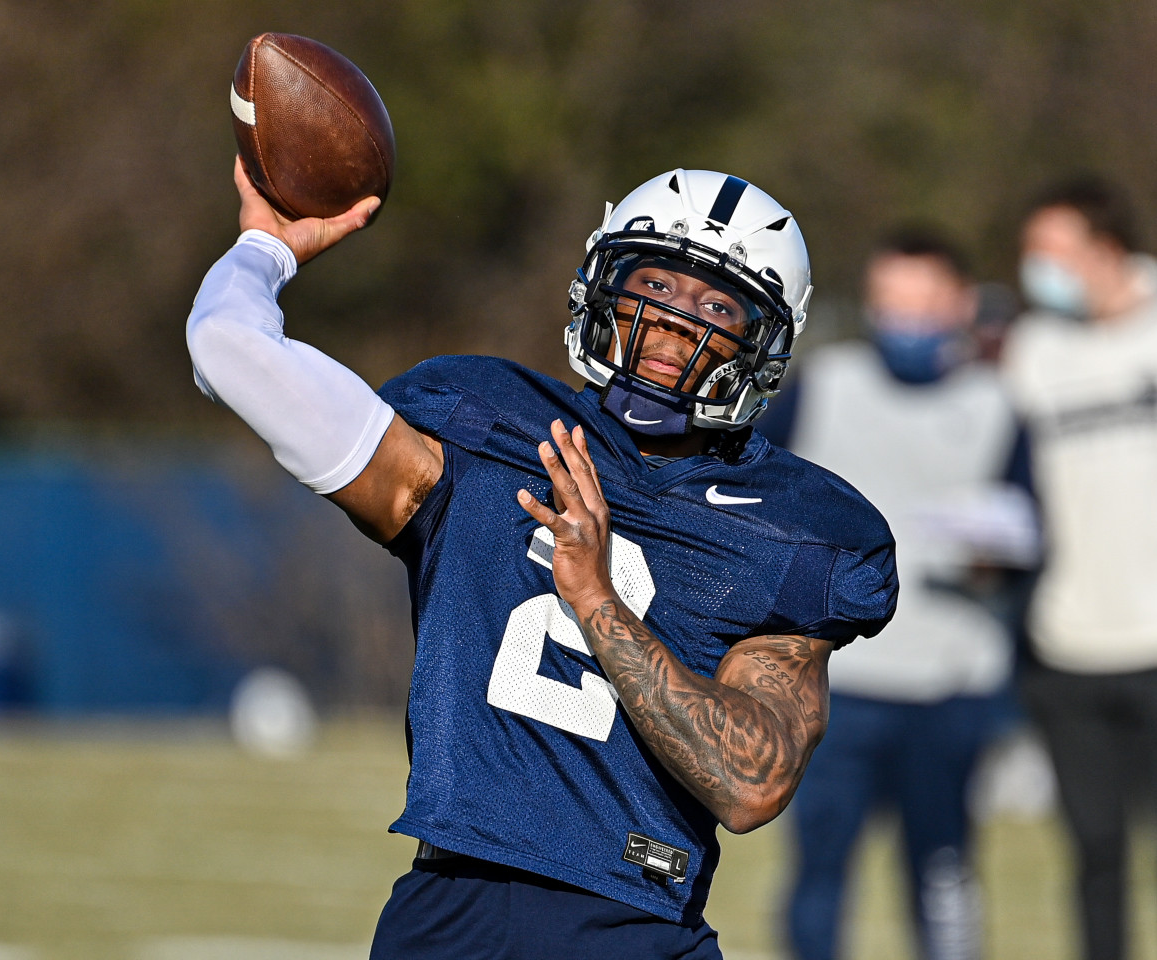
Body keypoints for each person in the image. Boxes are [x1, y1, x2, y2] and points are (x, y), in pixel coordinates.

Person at [186, 161, 898, 960]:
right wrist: (266, 248)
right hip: (450, 907)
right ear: (603, 286)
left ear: (763, 341)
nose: (673, 322)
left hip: (635, 924)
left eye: (716, 305)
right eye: (654, 285)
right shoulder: (477, 428)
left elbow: (749, 784)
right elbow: (228, 347)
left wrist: (596, 599)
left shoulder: (798, 529)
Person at [757, 228, 1037, 960]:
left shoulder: (999, 406)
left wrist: (1001, 561)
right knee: (818, 873)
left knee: (943, 878)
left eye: (922, 303)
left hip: (951, 688)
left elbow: (1033, 536)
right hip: (831, 686)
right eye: (891, 303)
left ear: (959, 304)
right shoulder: (821, 385)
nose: (905, 320)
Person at [1003, 176, 1157, 960]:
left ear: (1105, 249)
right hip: (1068, 649)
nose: (1036, 269)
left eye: (1052, 252)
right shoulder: (1035, 350)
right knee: (1096, 857)